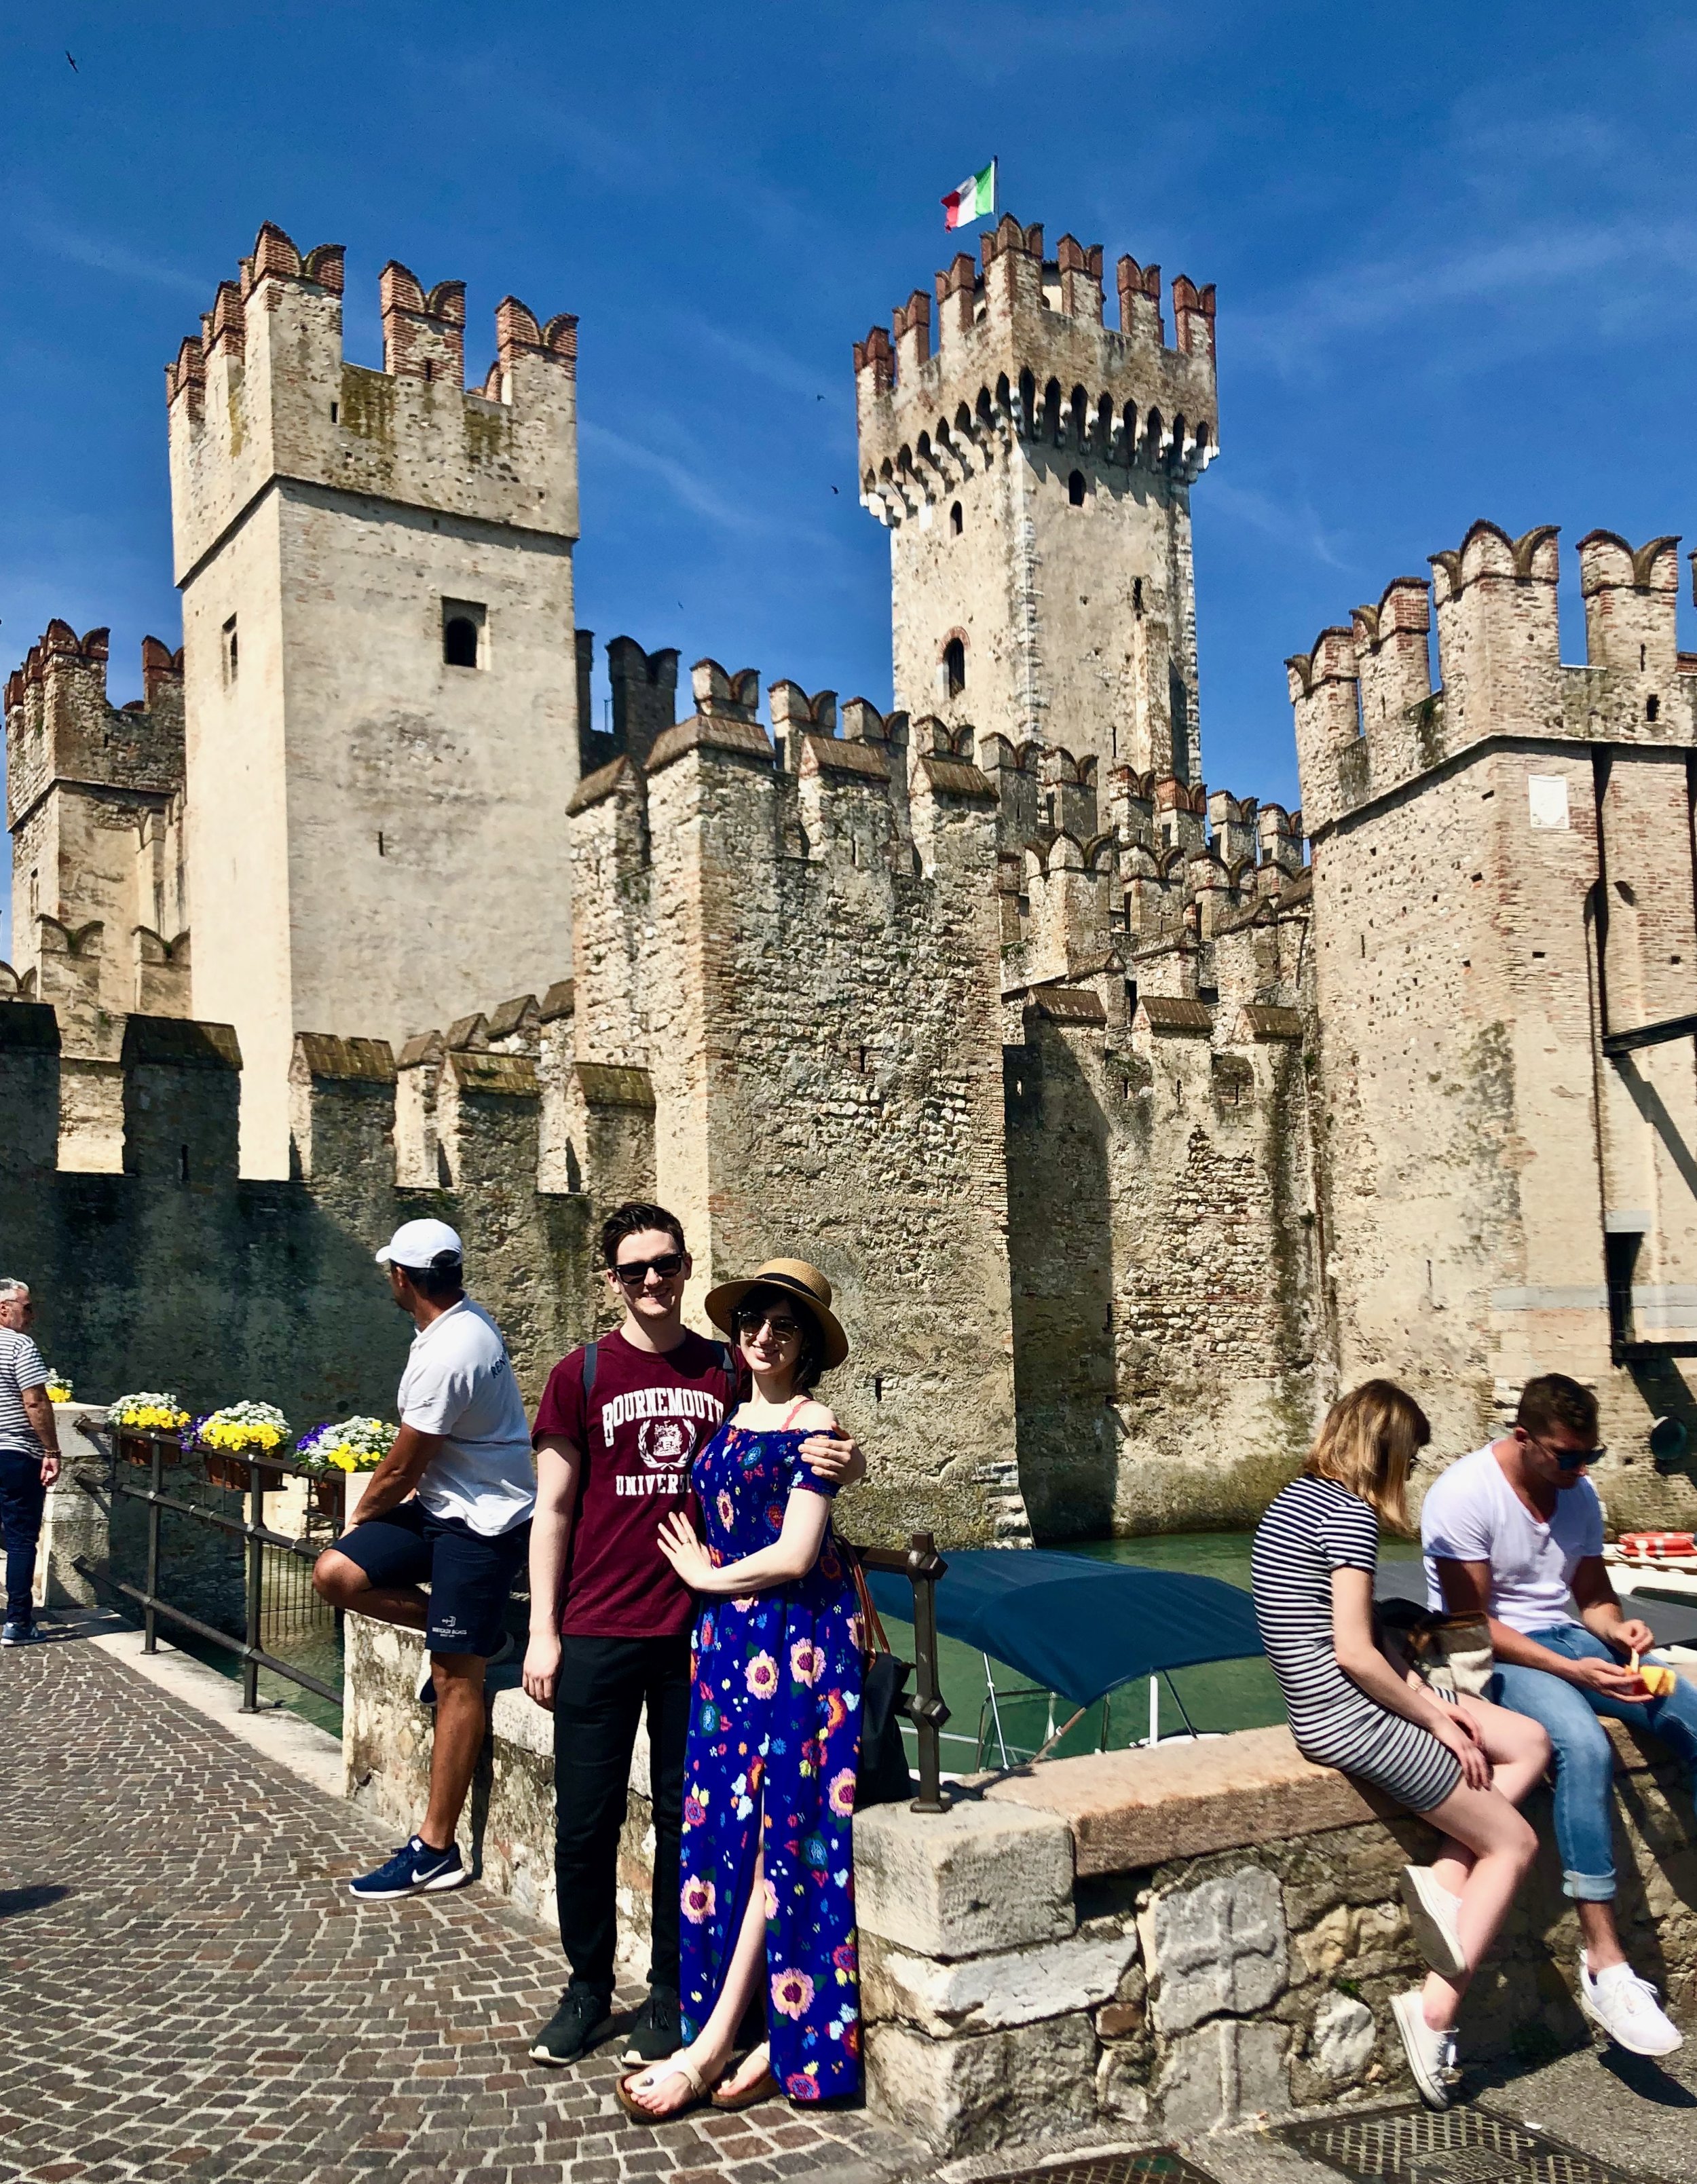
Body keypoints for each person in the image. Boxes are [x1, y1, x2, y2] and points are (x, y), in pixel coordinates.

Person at [523, 1206, 865, 2073]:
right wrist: (541, 1631)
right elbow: (553, 1508)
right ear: (610, 1277)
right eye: (634, 1267)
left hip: (698, 1637)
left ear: (684, 1268)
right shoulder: (581, 1372)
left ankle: (676, 1991)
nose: (651, 1280)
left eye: (666, 1263)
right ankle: (587, 1988)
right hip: (598, 1623)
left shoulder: (721, 1367)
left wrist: (847, 1459)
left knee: (693, 1819)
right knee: (585, 1822)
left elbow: (795, 1437)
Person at [1252, 1381, 1550, 2109]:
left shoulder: (1291, 1499)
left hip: (1320, 1706)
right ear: (1387, 1448)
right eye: (1410, 1456)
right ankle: (1435, 2011)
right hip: (1348, 1715)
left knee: (1528, 1738)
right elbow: (1354, 1652)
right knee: (1511, 1843)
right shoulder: (1349, 1513)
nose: (1410, 1473)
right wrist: (1435, 1715)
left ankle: (1446, 1878)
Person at [617, 1258, 862, 2120]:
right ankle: (763, 2025)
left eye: (784, 1326)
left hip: (795, 1643)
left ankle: (714, 2038)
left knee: (778, 1831)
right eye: (754, 1319)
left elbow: (797, 1554)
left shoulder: (815, 1420)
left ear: (809, 1347)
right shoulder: (734, 1411)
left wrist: (702, 1576)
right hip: (728, 1648)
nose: (764, 1335)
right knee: (726, 1823)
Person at [1423, 1372, 1697, 2058]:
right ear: (1524, 1439)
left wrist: (1619, 1630)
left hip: (1568, 1640)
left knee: (1686, 1710)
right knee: (1582, 1742)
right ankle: (1605, 1964)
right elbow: (1468, 1622)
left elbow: (1592, 1595)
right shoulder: (1464, 1492)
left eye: (1591, 1456)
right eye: (1567, 1456)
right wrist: (1570, 1670)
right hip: (1491, 1656)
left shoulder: (1580, 1493)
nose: (1579, 1470)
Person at [314, 1219, 536, 1900]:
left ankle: (436, 1848)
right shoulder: (455, 1326)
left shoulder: (450, 1351)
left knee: (452, 1675)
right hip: (445, 1504)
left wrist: (359, 1516)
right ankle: (481, 1632)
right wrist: (355, 1543)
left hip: (485, 1520)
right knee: (337, 1574)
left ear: (402, 1279)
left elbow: (404, 1463)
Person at [0, 1279, 61, 1647]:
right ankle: (19, 1622)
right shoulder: (20, 1345)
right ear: (4, 1309)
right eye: (28, 1307)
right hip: (15, 1453)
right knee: (22, 1540)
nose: (33, 1316)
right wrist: (52, 1451)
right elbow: (35, 1401)